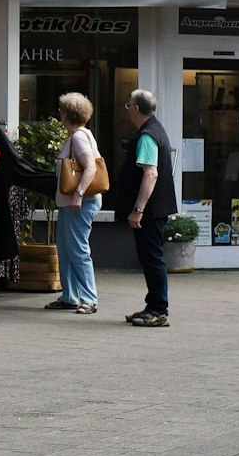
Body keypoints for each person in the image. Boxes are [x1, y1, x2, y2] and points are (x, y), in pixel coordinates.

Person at [113, 89, 178, 328]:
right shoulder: (156, 129)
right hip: (156, 208)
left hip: (150, 211)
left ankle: (158, 310)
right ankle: (153, 305)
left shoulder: (147, 136)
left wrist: (138, 209)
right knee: (151, 258)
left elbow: (150, 174)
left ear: (136, 108)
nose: (127, 109)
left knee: (152, 259)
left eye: (128, 105)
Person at [46, 92, 101, 315]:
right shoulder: (82, 134)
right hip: (72, 203)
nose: (60, 114)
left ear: (67, 114)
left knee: (77, 250)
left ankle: (89, 298)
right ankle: (70, 296)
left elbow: (90, 167)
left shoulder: (78, 137)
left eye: (62, 111)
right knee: (66, 248)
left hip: (80, 203)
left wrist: (79, 193)